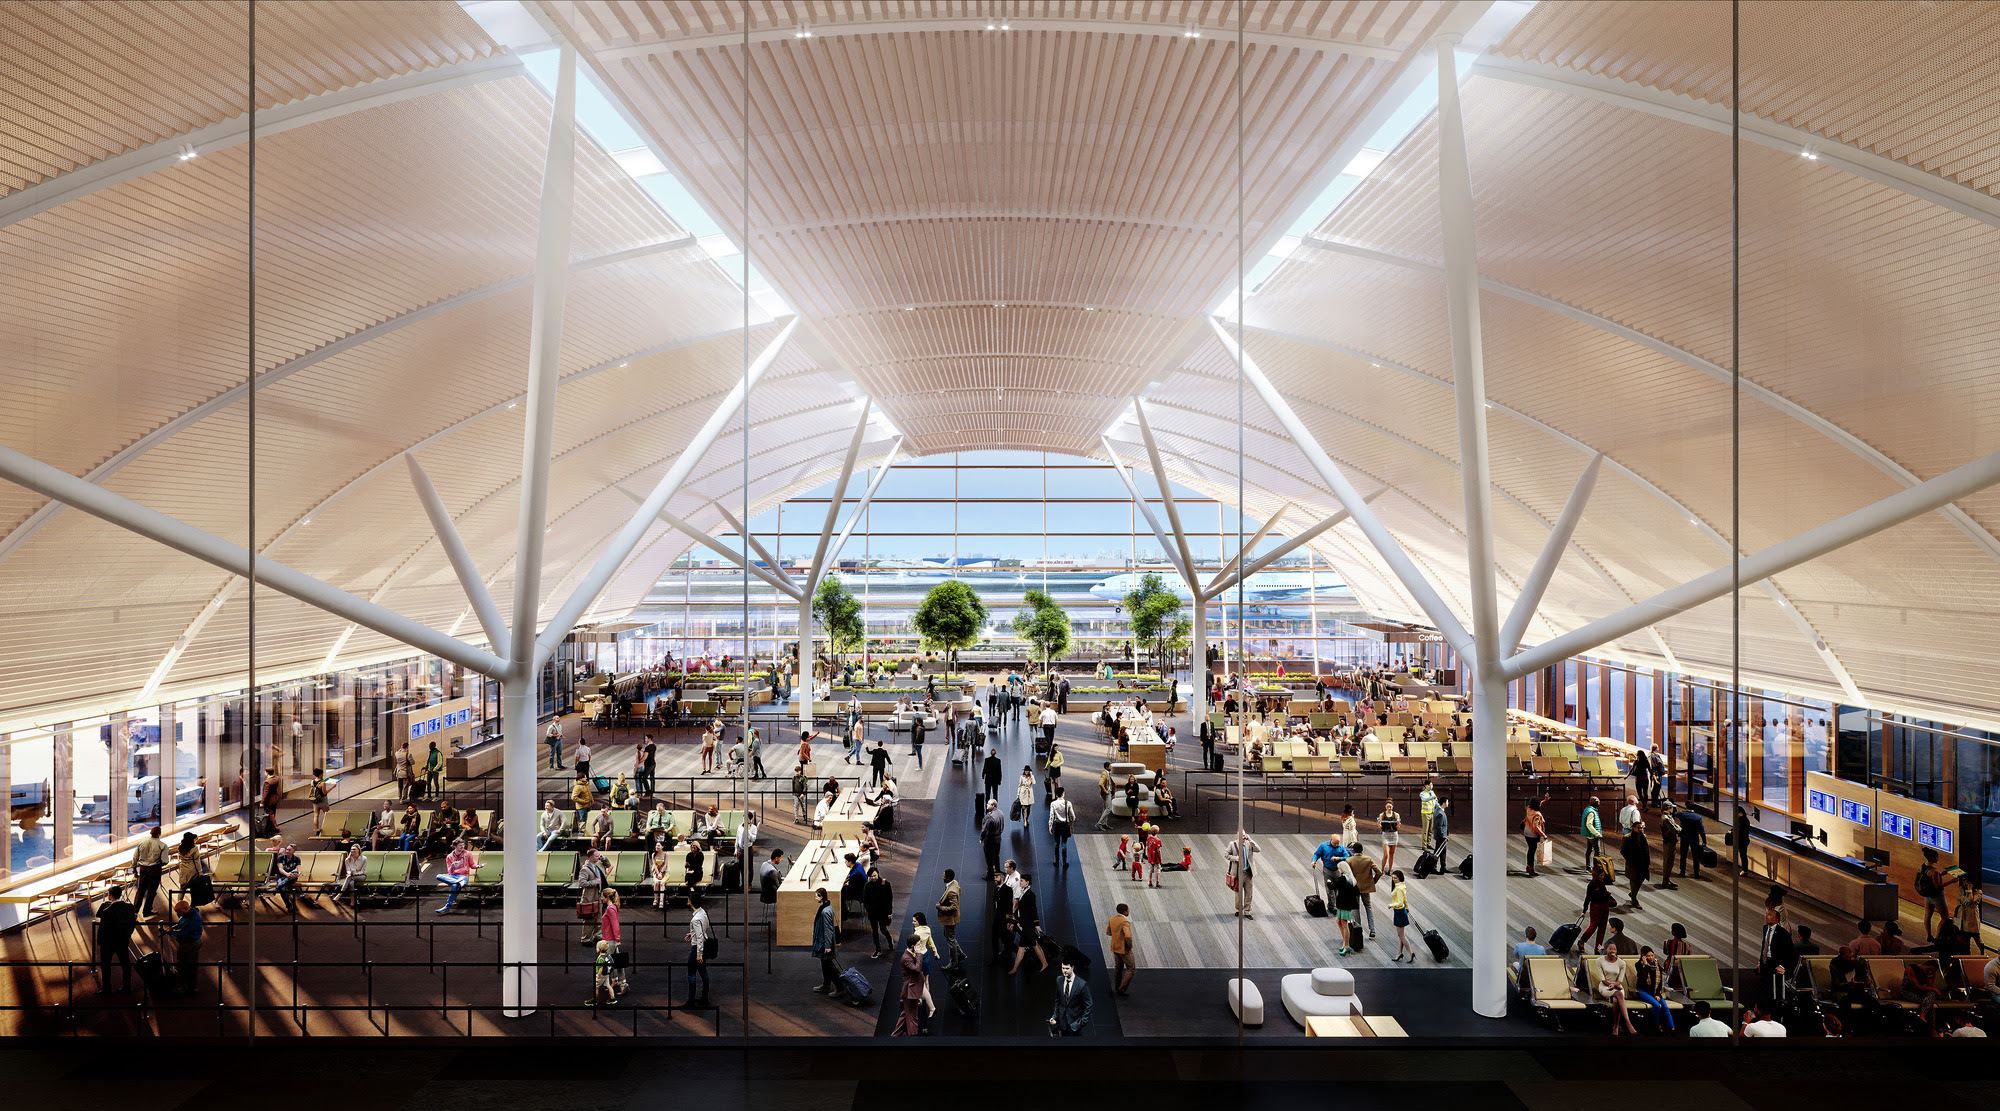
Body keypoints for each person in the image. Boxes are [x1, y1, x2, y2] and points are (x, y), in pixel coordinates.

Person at [94, 884, 139, 993]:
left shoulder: (106, 911)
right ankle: (127, 986)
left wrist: (100, 941)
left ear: (110, 896)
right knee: (125, 964)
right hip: (122, 940)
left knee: (105, 965)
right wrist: (128, 934)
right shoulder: (129, 907)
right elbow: (132, 924)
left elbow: (103, 929)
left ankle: (107, 988)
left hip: (108, 943)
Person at [1008, 874, 1048, 974]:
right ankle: (1015, 968)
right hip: (1024, 925)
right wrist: (1014, 921)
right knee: (1026, 946)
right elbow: (1019, 911)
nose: (1019, 882)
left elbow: (1034, 910)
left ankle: (1044, 963)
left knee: (1034, 945)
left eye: (1021, 881)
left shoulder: (1030, 895)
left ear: (1027, 883)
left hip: (1028, 926)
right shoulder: (1022, 892)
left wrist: (1037, 925)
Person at [1595, 948, 1639, 1035]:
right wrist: (1610, 985)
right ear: (1606, 950)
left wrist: (1614, 985)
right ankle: (1628, 1024)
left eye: (1614, 949)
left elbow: (1620, 980)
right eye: (1610, 949)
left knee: (1616, 1000)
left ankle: (1616, 1027)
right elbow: (1603, 979)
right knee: (1618, 994)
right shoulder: (1599, 960)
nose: (1613, 951)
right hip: (1605, 986)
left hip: (1617, 986)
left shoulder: (1621, 963)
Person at [1632, 946, 1676, 1032]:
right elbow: (1643, 980)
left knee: (1665, 1007)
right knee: (1656, 1005)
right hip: (1642, 991)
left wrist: (1657, 994)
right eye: (1648, 956)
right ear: (1643, 956)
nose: (1651, 957)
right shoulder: (1639, 965)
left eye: (1652, 955)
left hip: (1655, 992)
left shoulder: (1656, 963)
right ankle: (1655, 1026)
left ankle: (1672, 1028)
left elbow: (1659, 982)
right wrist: (1645, 965)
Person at [1049, 951, 1093, 1036]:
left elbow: (1088, 1004)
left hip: (1075, 1024)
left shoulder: (1081, 984)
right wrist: (1055, 1016)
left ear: (1072, 967)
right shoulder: (1059, 980)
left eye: (1067, 968)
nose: (1064, 971)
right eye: (1063, 968)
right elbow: (1057, 1000)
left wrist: (1081, 1022)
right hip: (1061, 1023)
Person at [166, 898, 203, 995]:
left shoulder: (192, 919)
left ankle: (185, 988)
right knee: (188, 965)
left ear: (186, 909)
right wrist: (173, 928)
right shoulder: (187, 914)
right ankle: (189, 986)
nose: (178, 914)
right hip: (190, 942)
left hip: (190, 944)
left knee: (186, 966)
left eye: (179, 912)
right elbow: (180, 924)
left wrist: (171, 932)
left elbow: (183, 933)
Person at [891, 934, 926, 1036]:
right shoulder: (906, 958)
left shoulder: (911, 954)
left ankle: (895, 1035)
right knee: (912, 1016)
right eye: (918, 944)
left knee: (906, 1014)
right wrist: (919, 954)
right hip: (909, 991)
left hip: (912, 989)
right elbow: (917, 969)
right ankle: (913, 1036)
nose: (920, 946)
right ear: (912, 946)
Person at [131, 825, 168, 920]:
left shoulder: (142, 843)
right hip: (155, 869)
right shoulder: (162, 845)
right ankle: (146, 911)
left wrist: (135, 870)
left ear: (150, 833)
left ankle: (135, 912)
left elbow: (135, 858)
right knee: (152, 891)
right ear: (159, 834)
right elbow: (165, 861)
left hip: (143, 869)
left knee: (141, 890)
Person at [810, 888, 841, 996]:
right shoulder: (825, 908)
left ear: (821, 896)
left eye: (817, 896)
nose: (815, 898)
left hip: (824, 943)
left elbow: (828, 930)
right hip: (822, 942)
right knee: (825, 964)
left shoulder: (825, 911)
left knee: (829, 965)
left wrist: (828, 946)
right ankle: (826, 984)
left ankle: (839, 987)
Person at [1580, 864, 1616, 952]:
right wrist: (1584, 911)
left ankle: (1598, 947)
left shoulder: (1602, 883)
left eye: (1603, 875)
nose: (1602, 877)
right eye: (1600, 875)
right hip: (1596, 907)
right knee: (1593, 927)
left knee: (1602, 928)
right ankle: (1582, 941)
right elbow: (1588, 898)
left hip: (1604, 907)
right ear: (1596, 875)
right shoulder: (1591, 885)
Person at [434, 838, 475, 914]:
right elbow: (449, 871)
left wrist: (478, 866)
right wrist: (452, 866)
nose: (463, 847)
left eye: (463, 845)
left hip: (463, 876)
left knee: (454, 885)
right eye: (460, 845)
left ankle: (447, 907)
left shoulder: (467, 854)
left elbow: (469, 867)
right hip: (454, 877)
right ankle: (459, 882)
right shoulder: (449, 856)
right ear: (455, 846)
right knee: (439, 876)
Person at [1349, 845, 1381, 939]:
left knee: (1355, 908)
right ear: (1362, 850)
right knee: (1368, 906)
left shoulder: (1349, 861)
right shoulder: (1368, 859)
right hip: (1366, 887)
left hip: (1354, 888)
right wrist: (1373, 881)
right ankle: (1372, 929)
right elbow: (1379, 872)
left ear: (1353, 850)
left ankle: (1358, 929)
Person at [936, 869, 966, 969]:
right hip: (951, 918)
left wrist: (941, 908)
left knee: (950, 940)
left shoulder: (951, 892)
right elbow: (959, 891)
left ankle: (954, 963)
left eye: (944, 876)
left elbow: (953, 908)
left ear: (948, 878)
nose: (942, 877)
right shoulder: (954, 883)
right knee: (949, 936)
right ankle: (960, 954)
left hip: (950, 919)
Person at [576, 849, 607, 943]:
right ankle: (586, 939)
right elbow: (582, 883)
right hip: (589, 897)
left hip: (599, 896)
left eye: (599, 855)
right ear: (590, 857)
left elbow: (608, 864)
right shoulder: (585, 869)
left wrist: (603, 858)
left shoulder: (599, 865)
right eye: (597, 856)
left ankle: (598, 936)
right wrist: (595, 882)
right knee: (589, 919)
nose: (599, 857)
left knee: (599, 918)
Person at [685, 890, 711, 1004]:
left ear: (691, 902)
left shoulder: (695, 919)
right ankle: (704, 997)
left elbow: (699, 937)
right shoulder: (703, 913)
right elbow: (705, 928)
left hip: (696, 949)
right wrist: (692, 934)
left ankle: (691, 999)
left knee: (691, 974)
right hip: (702, 946)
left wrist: (698, 954)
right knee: (703, 973)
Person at [1228, 829, 1260, 917]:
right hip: (1238, 874)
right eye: (1241, 835)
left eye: (1244, 835)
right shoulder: (1232, 844)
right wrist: (1235, 858)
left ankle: (1247, 910)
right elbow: (1226, 854)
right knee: (1238, 893)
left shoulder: (1249, 844)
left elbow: (1258, 849)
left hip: (1248, 873)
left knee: (1249, 893)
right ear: (1237, 835)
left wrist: (1250, 840)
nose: (1243, 837)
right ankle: (1239, 910)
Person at [864, 866, 894, 958]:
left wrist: (889, 912)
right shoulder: (867, 886)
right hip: (872, 912)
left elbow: (890, 899)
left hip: (883, 912)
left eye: (874, 875)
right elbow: (865, 899)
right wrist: (868, 909)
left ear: (878, 874)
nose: (873, 878)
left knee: (883, 929)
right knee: (875, 931)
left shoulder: (885, 884)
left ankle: (889, 940)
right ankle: (878, 949)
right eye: (871, 876)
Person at [1621, 818, 1651, 911]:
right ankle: (1634, 899)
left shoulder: (1643, 837)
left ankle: (1633, 893)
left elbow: (1646, 850)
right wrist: (1630, 860)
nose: (1640, 830)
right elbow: (1623, 851)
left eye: (1641, 828)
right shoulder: (1627, 837)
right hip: (1633, 864)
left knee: (1641, 879)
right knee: (1634, 880)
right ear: (1633, 828)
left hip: (1643, 863)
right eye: (1638, 828)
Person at [1107, 903, 1135, 995]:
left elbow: (1108, 932)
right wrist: (1129, 945)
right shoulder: (1125, 922)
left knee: (1118, 968)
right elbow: (1127, 936)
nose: (1129, 911)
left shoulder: (1112, 919)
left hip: (1115, 947)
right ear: (1125, 911)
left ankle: (1116, 988)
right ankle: (1121, 989)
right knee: (1131, 969)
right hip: (1124, 949)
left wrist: (1116, 936)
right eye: (1128, 909)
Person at [1387, 870, 1414, 961]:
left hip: (1399, 912)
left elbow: (1399, 902)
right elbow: (1404, 899)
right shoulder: (1402, 885)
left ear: (1400, 878)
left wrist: (1391, 905)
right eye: (1393, 878)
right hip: (1401, 911)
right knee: (1401, 935)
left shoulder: (1398, 888)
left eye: (1395, 878)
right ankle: (1399, 953)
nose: (1394, 880)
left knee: (1401, 935)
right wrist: (1407, 907)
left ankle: (1410, 953)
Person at [1048, 786, 1077, 868]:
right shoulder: (1068, 803)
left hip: (1057, 825)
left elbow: (1051, 816)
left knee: (1056, 843)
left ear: (1056, 795)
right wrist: (1071, 821)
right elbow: (1073, 816)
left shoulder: (1053, 804)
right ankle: (1064, 861)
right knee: (1064, 844)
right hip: (1065, 825)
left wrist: (1050, 826)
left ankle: (1056, 860)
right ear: (1063, 794)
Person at [332, 841, 366, 908]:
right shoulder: (347, 859)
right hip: (351, 876)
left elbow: (363, 871)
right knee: (351, 883)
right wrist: (350, 873)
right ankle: (353, 901)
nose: (352, 851)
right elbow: (348, 870)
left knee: (349, 877)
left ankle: (340, 894)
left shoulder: (364, 859)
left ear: (358, 850)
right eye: (351, 849)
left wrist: (356, 874)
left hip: (361, 876)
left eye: (354, 849)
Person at [1656, 804, 1681, 889]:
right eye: (1672, 807)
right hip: (1669, 842)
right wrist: (1679, 828)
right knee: (1668, 862)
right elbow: (1675, 829)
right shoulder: (1666, 819)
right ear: (1668, 808)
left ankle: (1667, 879)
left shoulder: (1668, 817)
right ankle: (1665, 881)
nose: (1673, 809)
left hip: (1670, 841)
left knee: (1670, 861)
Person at [1522, 797, 1547, 878]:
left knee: (1530, 849)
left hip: (1526, 831)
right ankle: (1530, 868)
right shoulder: (1537, 814)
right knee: (1532, 851)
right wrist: (1543, 835)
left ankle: (1528, 866)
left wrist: (1544, 801)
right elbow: (1536, 827)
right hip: (1533, 834)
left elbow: (1535, 804)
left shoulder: (1529, 809)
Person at [980, 799, 1004, 878]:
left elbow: (984, 829)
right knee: (996, 855)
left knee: (989, 856)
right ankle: (997, 870)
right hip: (998, 838)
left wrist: (981, 838)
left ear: (993, 806)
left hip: (990, 839)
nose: (987, 805)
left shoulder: (989, 817)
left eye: (989, 804)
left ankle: (990, 874)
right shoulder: (1001, 813)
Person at [1377, 800, 1401, 875]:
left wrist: (1398, 824)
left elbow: (1397, 827)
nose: (1389, 808)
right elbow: (1380, 825)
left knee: (1392, 853)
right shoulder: (1382, 815)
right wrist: (1379, 824)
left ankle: (1390, 870)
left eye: (1390, 807)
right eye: (1388, 807)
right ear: (1385, 807)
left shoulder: (1396, 815)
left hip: (1394, 835)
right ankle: (1382, 869)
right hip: (1386, 835)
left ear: (1392, 807)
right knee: (1386, 854)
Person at [1580, 796, 1602, 871]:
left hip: (1589, 834)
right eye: (1598, 801)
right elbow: (1589, 824)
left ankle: (1588, 867)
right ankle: (1596, 868)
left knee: (1589, 850)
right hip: (1592, 835)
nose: (1599, 802)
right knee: (1597, 852)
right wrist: (1597, 833)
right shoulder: (1591, 812)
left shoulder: (1588, 809)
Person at [308, 768, 331, 834]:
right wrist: (332, 787)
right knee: (327, 815)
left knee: (316, 815)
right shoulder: (322, 783)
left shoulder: (312, 782)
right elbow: (324, 793)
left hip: (315, 801)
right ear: (321, 774)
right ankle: (328, 828)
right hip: (323, 801)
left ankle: (317, 829)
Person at [1096, 761, 1117, 832]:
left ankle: (1104, 823)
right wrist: (1105, 791)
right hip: (1106, 794)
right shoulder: (1104, 774)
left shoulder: (1107, 773)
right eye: (1110, 766)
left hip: (1108, 793)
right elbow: (1100, 783)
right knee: (1109, 808)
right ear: (1107, 767)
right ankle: (1099, 823)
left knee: (1105, 808)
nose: (1111, 767)